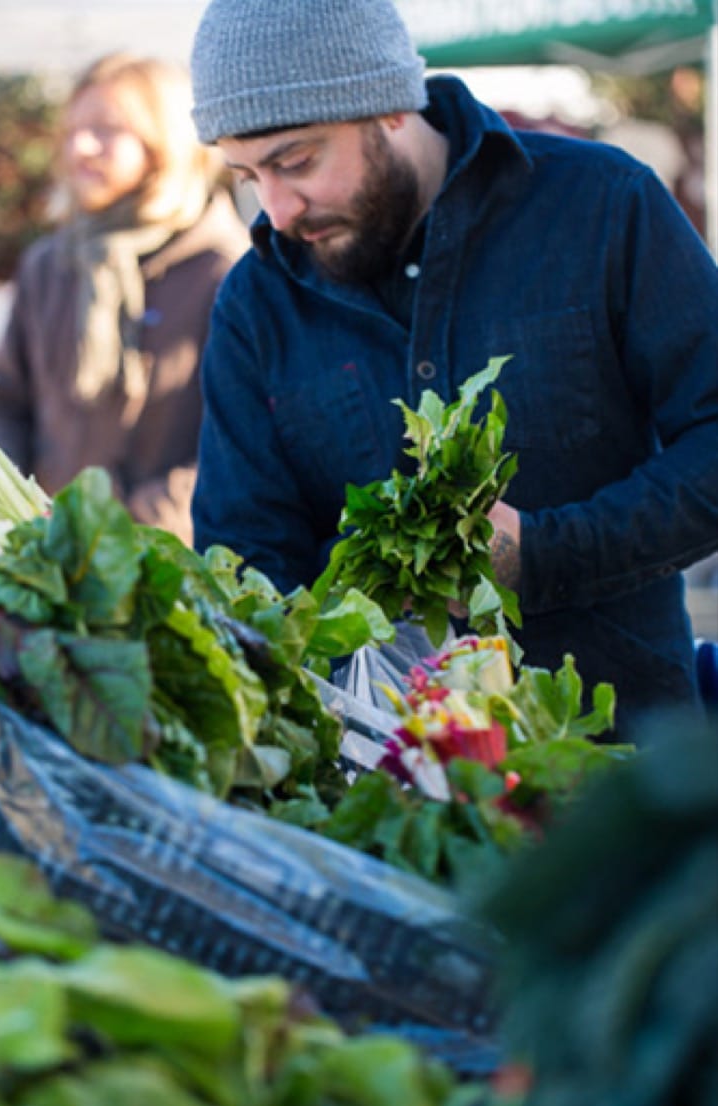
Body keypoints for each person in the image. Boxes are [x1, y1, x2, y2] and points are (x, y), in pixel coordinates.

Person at [188, 0, 718, 737]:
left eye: (295, 161)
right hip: (378, 803)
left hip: (626, 770)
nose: (275, 209)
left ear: (390, 107)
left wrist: (545, 555)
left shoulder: (603, 207)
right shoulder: (255, 304)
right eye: (247, 174)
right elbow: (243, 565)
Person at [0, 51, 249, 546]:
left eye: (107, 129)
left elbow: (240, 446)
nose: (81, 147)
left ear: (165, 143)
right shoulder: (49, 265)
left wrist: (129, 528)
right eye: (73, 131)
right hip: (43, 554)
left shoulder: (228, 270)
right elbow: (8, 404)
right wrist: (12, 511)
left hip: (171, 567)